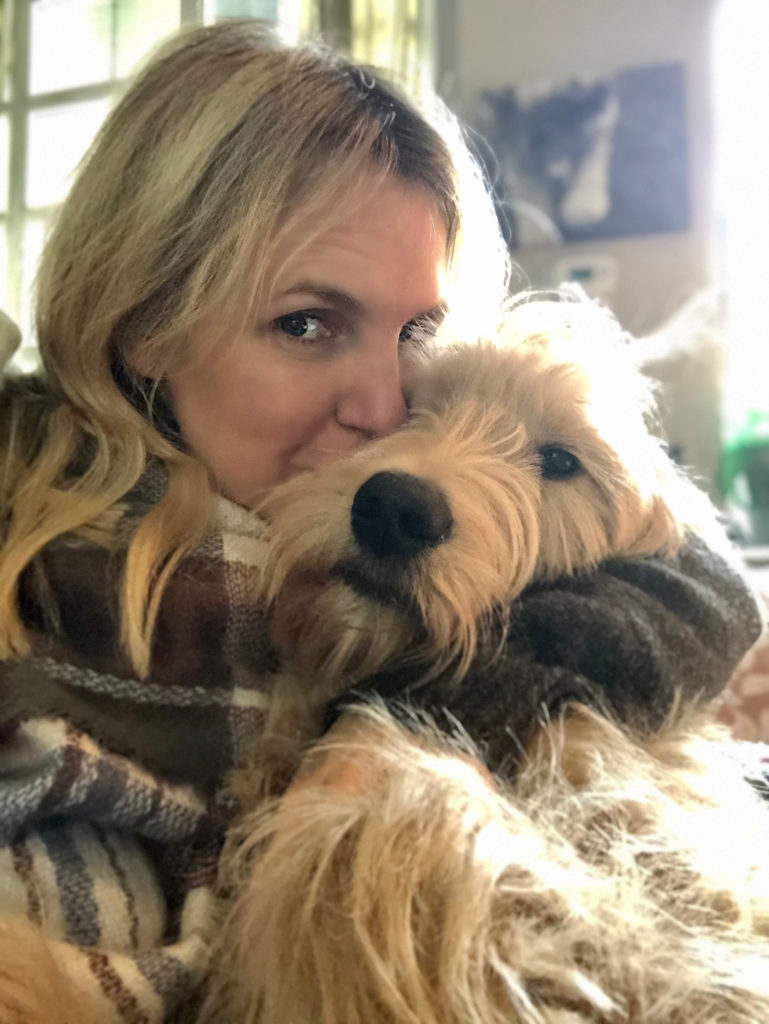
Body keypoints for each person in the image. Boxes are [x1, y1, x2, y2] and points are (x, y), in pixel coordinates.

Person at [0, 17, 762, 1024]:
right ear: (144, 322)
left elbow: (700, 575)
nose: (385, 407)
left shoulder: (492, 599)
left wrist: (409, 719)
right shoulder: (55, 576)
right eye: (306, 324)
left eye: (416, 338)